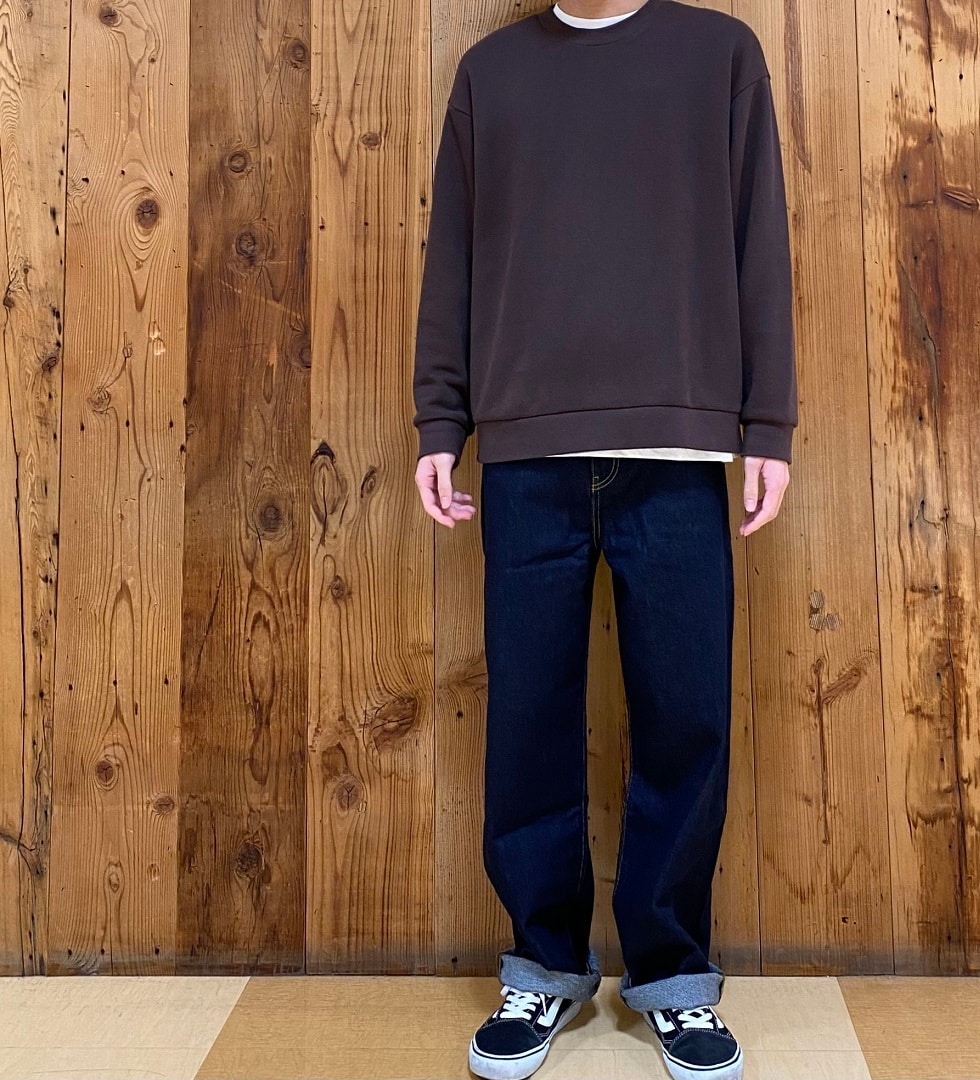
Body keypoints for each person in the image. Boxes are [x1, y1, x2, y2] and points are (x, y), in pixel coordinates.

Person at [411, 0, 797, 1076]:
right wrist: (441, 420)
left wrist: (767, 425)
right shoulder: (491, 73)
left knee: (685, 719)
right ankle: (543, 963)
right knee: (528, 720)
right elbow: (454, 254)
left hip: (679, 453)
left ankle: (674, 976)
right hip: (525, 454)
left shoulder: (720, 56)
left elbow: (758, 240)